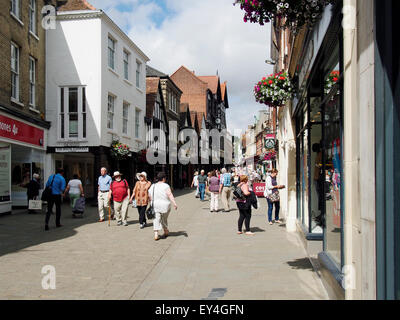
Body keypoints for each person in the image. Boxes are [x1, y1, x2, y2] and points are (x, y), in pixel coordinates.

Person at [148, 172, 178, 241]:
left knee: (156, 219)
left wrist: (152, 201)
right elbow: (170, 195)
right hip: (165, 205)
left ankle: (156, 234)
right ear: (164, 178)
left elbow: (149, 196)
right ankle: (165, 230)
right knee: (164, 219)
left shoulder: (153, 186)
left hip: (155, 205)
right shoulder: (166, 186)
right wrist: (174, 203)